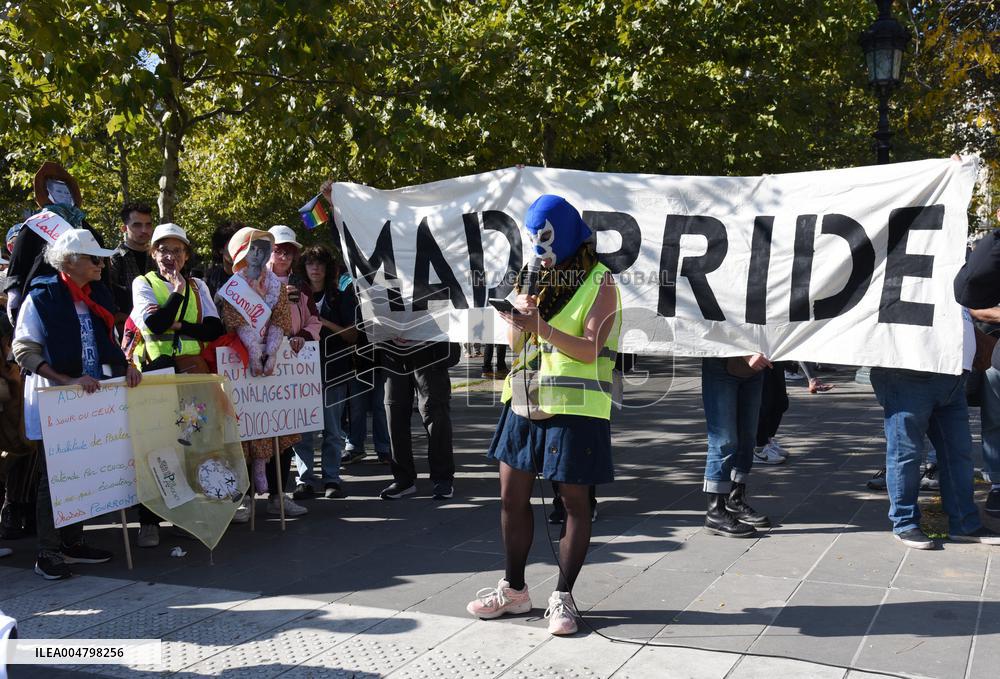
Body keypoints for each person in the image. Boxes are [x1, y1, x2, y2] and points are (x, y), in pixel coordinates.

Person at [466, 195, 620, 636]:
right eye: (534, 238)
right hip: (524, 399)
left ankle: (563, 596)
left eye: (546, 236)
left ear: (567, 232)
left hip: (577, 407)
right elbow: (518, 346)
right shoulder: (531, 276)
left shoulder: (601, 281)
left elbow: (590, 348)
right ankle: (514, 591)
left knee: (574, 503)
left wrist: (542, 327)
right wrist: (518, 320)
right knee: (510, 497)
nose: (539, 247)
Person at [12, 228, 142, 579]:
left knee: (86, 466)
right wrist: (65, 380)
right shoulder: (42, 296)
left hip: (90, 398)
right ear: (69, 262)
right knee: (54, 475)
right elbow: (24, 349)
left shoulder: (95, 294)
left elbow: (107, 341)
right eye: (91, 257)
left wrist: (125, 366)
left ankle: (73, 541)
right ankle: (48, 551)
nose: (100, 263)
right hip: (54, 398)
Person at [870, 308, 1000, 549]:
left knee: (958, 454)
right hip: (908, 372)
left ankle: (964, 524)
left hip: (951, 375)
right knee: (905, 454)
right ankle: (905, 523)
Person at [128, 223, 224, 546]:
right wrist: (177, 295)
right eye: (164, 250)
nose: (170, 256)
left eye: (177, 251)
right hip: (156, 376)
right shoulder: (143, 283)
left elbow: (213, 329)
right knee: (155, 446)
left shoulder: (200, 286)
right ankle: (149, 520)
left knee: (189, 444)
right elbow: (153, 324)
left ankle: (184, 514)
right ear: (154, 254)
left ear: (185, 256)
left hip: (192, 375)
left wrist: (178, 323)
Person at [218, 227, 302, 520]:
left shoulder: (277, 287)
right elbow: (236, 322)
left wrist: (272, 349)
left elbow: (281, 320)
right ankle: (244, 499)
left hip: (273, 369)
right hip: (241, 366)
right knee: (244, 436)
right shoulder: (233, 287)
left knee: (280, 429)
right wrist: (255, 351)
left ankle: (280, 495)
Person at [290, 245, 358, 500]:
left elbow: (352, 336)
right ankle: (305, 479)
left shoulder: (341, 298)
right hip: (302, 374)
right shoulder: (295, 298)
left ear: (328, 268)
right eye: (310, 264)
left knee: (333, 431)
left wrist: (320, 321)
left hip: (334, 372)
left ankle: (332, 478)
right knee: (303, 432)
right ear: (303, 269)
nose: (315, 268)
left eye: (320, 263)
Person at [5, 163, 110, 324]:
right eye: (58, 191)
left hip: (88, 299)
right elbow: (18, 264)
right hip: (47, 299)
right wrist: (14, 296)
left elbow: (103, 267)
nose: (64, 196)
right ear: (47, 193)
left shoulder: (88, 229)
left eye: (66, 192)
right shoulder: (34, 225)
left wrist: (107, 300)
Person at [701, 353, 772, 538]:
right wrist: (747, 354)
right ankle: (715, 511)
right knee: (724, 439)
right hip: (722, 362)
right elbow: (713, 326)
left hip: (755, 368)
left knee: (747, 437)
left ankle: (735, 499)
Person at [108, 202, 155, 327]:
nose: (144, 230)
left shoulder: (158, 257)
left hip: (158, 327)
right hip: (128, 329)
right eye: (137, 225)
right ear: (124, 228)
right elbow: (107, 295)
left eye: (148, 225)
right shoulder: (114, 258)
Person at [204, 221, 243, 298]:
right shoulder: (210, 280)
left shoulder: (255, 279)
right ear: (220, 249)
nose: (238, 250)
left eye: (241, 245)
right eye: (233, 245)